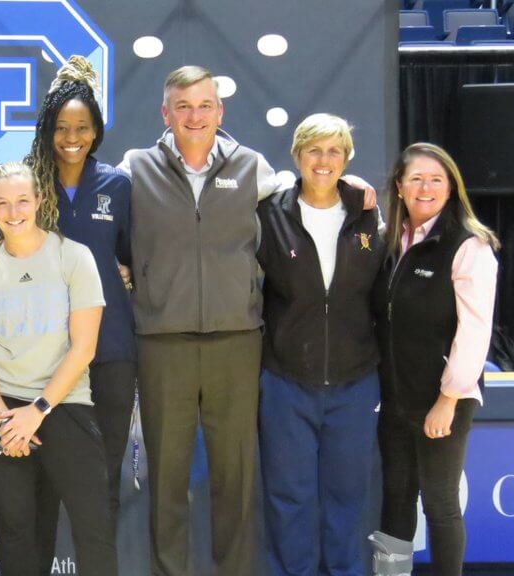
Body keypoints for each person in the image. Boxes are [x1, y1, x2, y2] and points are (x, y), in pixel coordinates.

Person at [122, 65, 376, 576]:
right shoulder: (134, 168)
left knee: (235, 481)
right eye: (184, 106)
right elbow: (101, 221)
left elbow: (308, 186)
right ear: (165, 113)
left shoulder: (252, 167)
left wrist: (348, 181)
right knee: (167, 482)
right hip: (161, 343)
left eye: (205, 105)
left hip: (237, 343)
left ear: (221, 111)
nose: (195, 116)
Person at [0, 162, 117, 576]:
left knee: (93, 528)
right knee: (16, 535)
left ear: (40, 201)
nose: (14, 212)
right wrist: (6, 421)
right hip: (5, 411)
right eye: (3, 203)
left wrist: (39, 409)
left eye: (23, 201)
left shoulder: (74, 257)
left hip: (64, 404)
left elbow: (84, 347)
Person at [256, 114, 385, 575]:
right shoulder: (270, 213)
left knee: (347, 498)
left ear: (347, 158)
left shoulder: (367, 214)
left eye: (334, 151)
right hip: (287, 382)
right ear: (297, 156)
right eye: (314, 150)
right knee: (288, 499)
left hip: (355, 383)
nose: (323, 160)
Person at [25, 55, 135, 572]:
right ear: (48, 129)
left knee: (102, 480)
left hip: (110, 353)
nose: (72, 137)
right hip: (43, 359)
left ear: (96, 132)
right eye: (63, 127)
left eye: (82, 128)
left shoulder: (117, 185)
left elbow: (134, 259)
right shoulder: (29, 185)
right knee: (43, 481)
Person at [370, 143, 498, 576]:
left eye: (436, 179)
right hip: (393, 399)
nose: (426, 187)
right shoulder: (392, 240)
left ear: (451, 188)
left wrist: (447, 399)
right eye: (416, 178)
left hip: (442, 401)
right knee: (396, 498)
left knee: (440, 503)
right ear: (400, 187)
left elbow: (475, 332)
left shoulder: (469, 246)